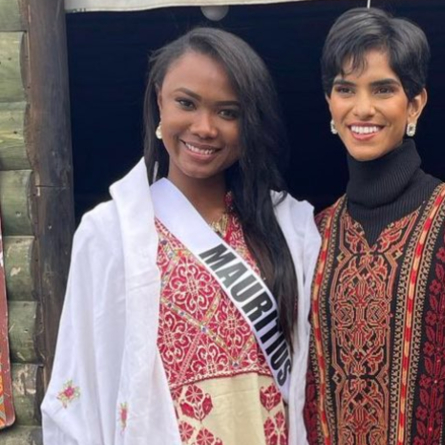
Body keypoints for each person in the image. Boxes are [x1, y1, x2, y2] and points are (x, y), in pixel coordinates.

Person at [42, 28, 320, 445]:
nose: (204, 127)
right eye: (186, 104)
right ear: (159, 102)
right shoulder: (110, 233)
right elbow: (79, 378)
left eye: (228, 112)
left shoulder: (287, 227)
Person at [303, 8, 445, 445]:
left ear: (415, 103)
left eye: (383, 89)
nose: (363, 108)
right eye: (345, 89)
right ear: (329, 104)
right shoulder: (315, 234)